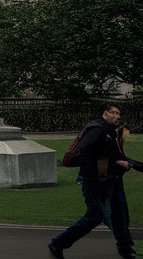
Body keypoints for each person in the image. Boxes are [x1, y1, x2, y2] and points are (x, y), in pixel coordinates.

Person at [49, 104, 136, 259]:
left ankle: (127, 250)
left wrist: (122, 163)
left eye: (118, 113)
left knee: (119, 214)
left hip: (112, 179)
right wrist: (92, 179)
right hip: (96, 182)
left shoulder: (112, 131)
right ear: (104, 113)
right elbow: (84, 154)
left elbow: (112, 155)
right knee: (95, 216)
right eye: (113, 113)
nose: (117, 116)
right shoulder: (97, 130)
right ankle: (58, 243)